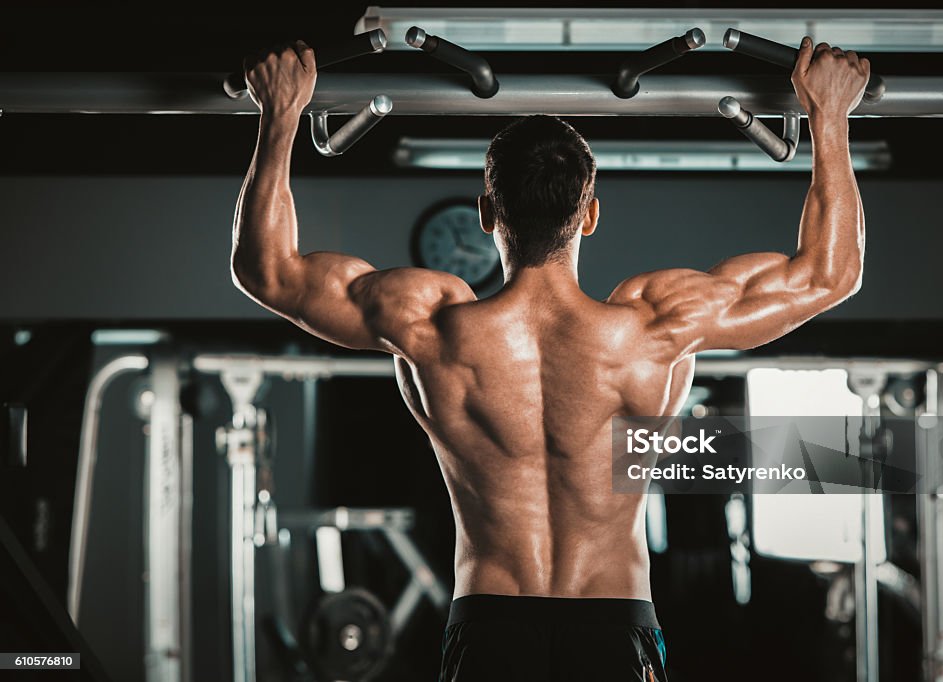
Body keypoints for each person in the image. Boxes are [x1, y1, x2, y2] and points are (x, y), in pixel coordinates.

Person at [231, 35, 869, 682]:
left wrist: (280, 114)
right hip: (614, 624)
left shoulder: (431, 324)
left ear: (487, 214)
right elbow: (829, 275)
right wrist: (830, 117)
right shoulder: (655, 326)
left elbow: (268, 272)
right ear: (589, 215)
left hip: (489, 626)